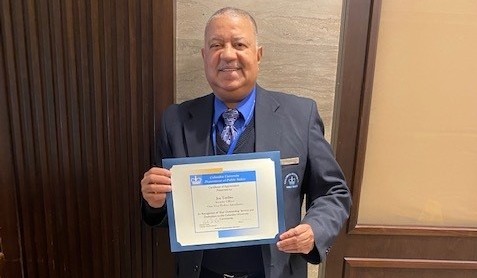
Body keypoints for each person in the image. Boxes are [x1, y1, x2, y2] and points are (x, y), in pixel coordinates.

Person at [141, 7, 351, 278]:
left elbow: (334, 193)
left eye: (239, 44)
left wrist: (315, 229)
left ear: (258, 54)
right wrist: (154, 202)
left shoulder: (300, 115)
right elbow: (173, 216)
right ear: (205, 57)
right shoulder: (176, 120)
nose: (228, 54)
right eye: (216, 45)